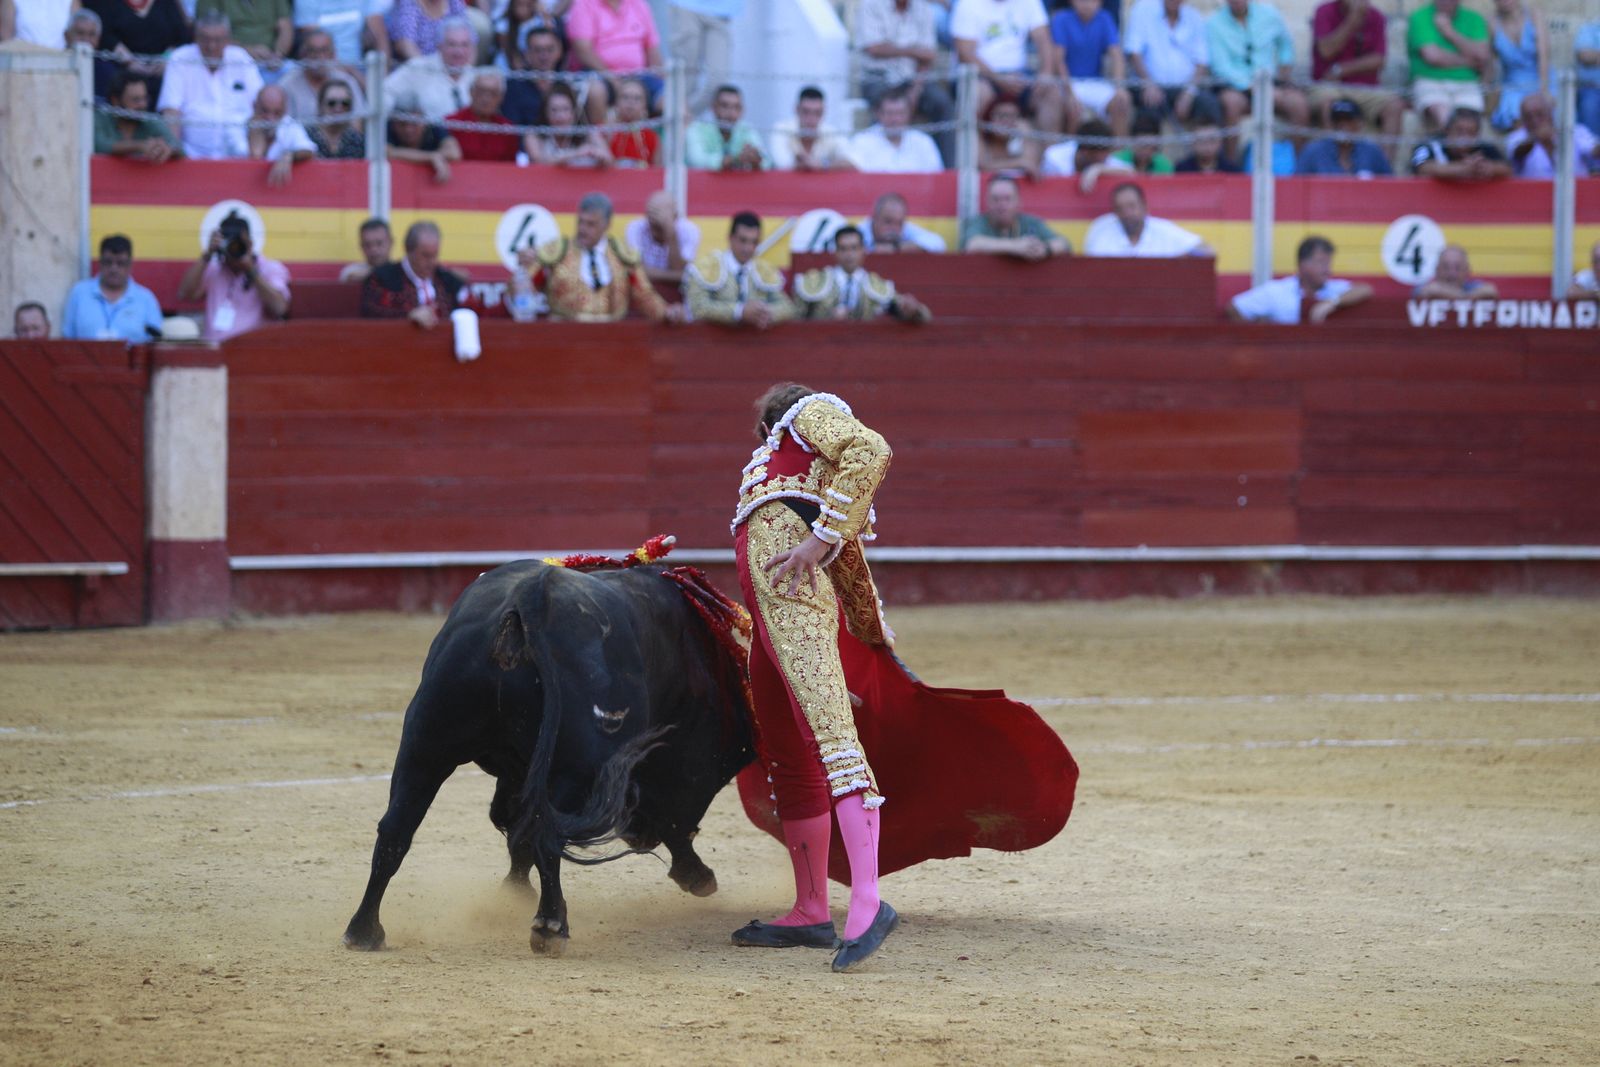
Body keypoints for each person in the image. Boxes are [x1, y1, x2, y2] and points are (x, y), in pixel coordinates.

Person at [728, 381, 899, 971]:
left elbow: (870, 449)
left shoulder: (809, 414)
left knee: (833, 741)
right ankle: (809, 911)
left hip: (793, 607)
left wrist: (816, 542)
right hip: (772, 619)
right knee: (788, 753)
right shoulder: (791, 466)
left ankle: (869, 903)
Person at [524, 192, 680, 323]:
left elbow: (644, 295)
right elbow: (524, 287)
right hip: (564, 334)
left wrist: (666, 312)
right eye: (581, 222)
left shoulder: (622, 255)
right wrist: (522, 272)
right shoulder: (557, 252)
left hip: (611, 337)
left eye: (591, 224)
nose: (583, 229)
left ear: (606, 224)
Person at [952, 0, 1065, 176]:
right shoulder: (967, 4)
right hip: (982, 77)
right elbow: (965, 53)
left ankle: (1052, 168)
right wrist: (999, 79)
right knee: (977, 93)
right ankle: (975, 165)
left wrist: (1046, 72)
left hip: (1020, 76)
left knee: (1051, 93)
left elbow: (1043, 39)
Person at [1206, 0, 1309, 160]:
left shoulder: (1269, 14)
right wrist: (1252, 87)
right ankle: (1231, 166)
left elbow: (1285, 45)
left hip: (1270, 83)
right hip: (1236, 87)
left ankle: (1301, 166)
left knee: (1298, 104)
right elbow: (1221, 67)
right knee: (1231, 104)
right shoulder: (1213, 23)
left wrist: (1284, 69)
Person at [856, 0, 954, 165]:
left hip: (913, 78)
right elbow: (873, 48)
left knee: (943, 104)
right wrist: (914, 51)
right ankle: (875, 168)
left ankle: (948, 170)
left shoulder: (924, 9)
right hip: (878, 78)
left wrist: (915, 90)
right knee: (884, 107)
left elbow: (928, 56)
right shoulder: (870, 5)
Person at [157, 12, 264, 160]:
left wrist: (256, 156)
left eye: (218, 40)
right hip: (192, 155)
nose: (211, 46)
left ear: (228, 40)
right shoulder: (180, 58)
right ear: (196, 38)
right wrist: (175, 151)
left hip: (241, 154)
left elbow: (260, 107)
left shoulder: (241, 58)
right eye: (205, 39)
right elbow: (171, 111)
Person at [177, 218, 292, 341]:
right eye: (229, 244)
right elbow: (185, 294)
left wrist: (250, 270)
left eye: (238, 244)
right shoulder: (214, 268)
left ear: (250, 244)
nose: (233, 249)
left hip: (251, 350)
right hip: (214, 349)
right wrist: (207, 255)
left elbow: (280, 308)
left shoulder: (270, 268)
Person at [1310, 0, 1403, 151]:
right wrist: (1352, 21)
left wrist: (1341, 69)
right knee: (1328, 103)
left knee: (1395, 105)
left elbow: (1379, 60)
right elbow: (1326, 50)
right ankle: (1333, 163)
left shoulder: (1376, 16)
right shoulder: (1324, 11)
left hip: (1365, 89)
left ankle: (1384, 170)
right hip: (1329, 86)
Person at [794, 225, 931, 323]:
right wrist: (827, 320)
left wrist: (915, 310)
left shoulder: (875, 284)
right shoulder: (815, 281)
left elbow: (918, 314)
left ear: (863, 250)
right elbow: (795, 319)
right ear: (835, 252)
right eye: (843, 249)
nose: (849, 254)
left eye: (854, 248)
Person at [1228, 235, 1371, 324]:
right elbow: (1235, 308)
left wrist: (1331, 302)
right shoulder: (1276, 291)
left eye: (1328, 263)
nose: (1327, 270)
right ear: (1302, 264)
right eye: (1320, 263)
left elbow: (1365, 289)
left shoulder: (1333, 289)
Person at [683, 211, 793, 328]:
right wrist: (739, 312)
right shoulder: (707, 266)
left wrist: (765, 313)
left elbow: (787, 307)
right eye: (743, 240)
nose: (748, 248)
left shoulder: (764, 270)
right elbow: (697, 307)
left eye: (754, 242)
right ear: (731, 238)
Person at [1122, 0, 1221, 128]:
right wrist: (1148, 84)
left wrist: (1189, 93)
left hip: (1185, 89)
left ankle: (1209, 148)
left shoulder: (1194, 17)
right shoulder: (1143, 9)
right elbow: (1134, 52)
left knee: (1210, 105)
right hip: (1148, 86)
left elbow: (1202, 61)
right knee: (1147, 113)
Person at [503, 18, 608, 128]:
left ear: (559, 52)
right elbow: (513, 130)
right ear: (527, 54)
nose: (544, 56)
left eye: (549, 49)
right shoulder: (513, 85)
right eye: (538, 50)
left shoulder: (569, 84)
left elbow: (579, 128)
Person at [61, 234, 164, 342]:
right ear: (100, 262)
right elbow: (68, 339)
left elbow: (155, 344)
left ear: (130, 265)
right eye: (108, 262)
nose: (114, 269)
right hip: (86, 358)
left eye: (120, 263)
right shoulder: (79, 293)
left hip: (131, 359)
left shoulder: (146, 299)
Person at [360, 220, 463, 328]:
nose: (432, 261)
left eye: (435, 255)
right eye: (425, 255)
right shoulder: (382, 278)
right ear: (409, 251)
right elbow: (371, 312)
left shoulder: (448, 280)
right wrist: (408, 315)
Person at [1052, 0, 1132, 139]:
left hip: (1094, 82)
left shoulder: (1105, 18)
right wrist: (1069, 93)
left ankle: (1116, 156)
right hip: (1067, 83)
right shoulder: (1061, 19)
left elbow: (1117, 56)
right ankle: (1073, 156)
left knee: (1122, 101)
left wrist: (1119, 87)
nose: (1086, 4)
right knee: (1074, 109)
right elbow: (1059, 60)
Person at [85, 0, 192, 104]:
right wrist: (130, 62)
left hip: (162, 71)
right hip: (121, 71)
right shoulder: (106, 3)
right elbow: (104, 35)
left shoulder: (166, 2)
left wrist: (166, 59)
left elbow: (182, 35)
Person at [566, 0, 664, 112]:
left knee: (672, 100)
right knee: (595, 92)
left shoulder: (639, 3)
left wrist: (661, 77)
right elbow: (583, 51)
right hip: (599, 74)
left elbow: (652, 48)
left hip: (639, 75)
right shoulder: (583, 4)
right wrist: (612, 78)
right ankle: (601, 129)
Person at [1407, 0, 1490, 132]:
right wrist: (1469, 61)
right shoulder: (1420, 16)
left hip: (1466, 83)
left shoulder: (1474, 18)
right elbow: (1433, 56)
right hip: (1431, 81)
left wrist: (1449, 32)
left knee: (1469, 120)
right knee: (1446, 118)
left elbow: (1482, 55)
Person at [384, 16, 478, 122]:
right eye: (452, 44)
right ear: (439, 45)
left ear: (472, 48)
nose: (458, 52)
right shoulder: (419, 68)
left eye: (464, 45)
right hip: (431, 135)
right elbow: (385, 91)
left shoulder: (475, 77)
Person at [1083, 182, 1209, 257]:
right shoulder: (1101, 229)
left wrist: (1174, 264)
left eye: (1132, 206)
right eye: (1120, 208)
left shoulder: (1163, 230)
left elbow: (1206, 251)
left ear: (1144, 207)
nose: (1127, 213)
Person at [959, 175, 1071, 258]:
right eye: (995, 199)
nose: (1001, 205)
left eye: (1007, 199)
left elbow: (1063, 244)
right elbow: (972, 245)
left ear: (1018, 202)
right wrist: (1016, 246)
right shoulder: (978, 222)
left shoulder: (1030, 222)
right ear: (987, 202)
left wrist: (1045, 249)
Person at [668, 0, 741, 119]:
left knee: (718, 81)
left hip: (722, 9)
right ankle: (678, 128)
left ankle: (682, 119)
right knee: (685, 82)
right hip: (685, 6)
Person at [278, 28, 367, 123]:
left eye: (324, 51)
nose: (320, 57)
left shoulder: (347, 81)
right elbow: (284, 127)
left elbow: (358, 120)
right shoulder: (287, 85)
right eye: (314, 51)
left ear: (333, 54)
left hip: (343, 137)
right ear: (303, 55)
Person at [1505, 93, 1598, 179]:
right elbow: (1517, 152)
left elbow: (1593, 151)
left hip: (1576, 193)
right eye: (1528, 116)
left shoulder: (1577, 132)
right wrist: (1536, 139)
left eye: (1539, 114)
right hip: (1532, 194)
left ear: (1551, 113)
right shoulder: (1516, 137)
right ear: (1522, 119)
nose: (1534, 120)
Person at [850, 87, 941, 174]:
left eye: (900, 113)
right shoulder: (862, 142)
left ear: (909, 114)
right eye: (889, 113)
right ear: (878, 114)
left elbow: (936, 179)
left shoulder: (923, 142)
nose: (895, 119)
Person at [95, 71, 183, 162]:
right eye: (136, 100)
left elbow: (178, 148)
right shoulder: (100, 118)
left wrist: (168, 150)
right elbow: (99, 145)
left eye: (145, 98)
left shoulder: (150, 121)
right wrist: (140, 146)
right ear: (115, 101)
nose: (143, 105)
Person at [1488, 0, 1546, 133]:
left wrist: (1544, 91)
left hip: (1540, 79)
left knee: (1542, 111)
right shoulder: (1492, 22)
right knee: (1514, 113)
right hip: (1512, 84)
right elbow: (1490, 64)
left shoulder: (1534, 15)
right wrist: (1488, 92)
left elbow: (1544, 58)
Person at [1409, 106, 1510, 181]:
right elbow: (1423, 168)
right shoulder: (1428, 144)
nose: (1464, 137)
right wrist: (1462, 169)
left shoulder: (1483, 147)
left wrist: (1488, 167)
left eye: (1471, 133)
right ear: (1447, 130)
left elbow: (1506, 168)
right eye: (1459, 131)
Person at [1296, 98, 1392, 177]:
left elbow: (1389, 186)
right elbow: (1297, 185)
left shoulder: (1372, 152)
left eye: (1348, 120)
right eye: (1337, 120)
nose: (1342, 124)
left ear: (1359, 124)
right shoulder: (1313, 152)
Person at [524, 82, 612, 166]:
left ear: (574, 112)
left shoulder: (588, 133)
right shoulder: (534, 135)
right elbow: (539, 162)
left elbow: (611, 162)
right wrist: (576, 154)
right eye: (554, 110)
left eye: (565, 109)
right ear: (546, 113)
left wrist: (601, 157)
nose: (560, 117)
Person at [771, 86, 857, 173]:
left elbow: (853, 161)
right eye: (806, 112)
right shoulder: (781, 130)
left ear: (824, 112)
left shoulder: (831, 132)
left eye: (817, 113)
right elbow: (782, 164)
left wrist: (822, 164)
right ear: (797, 109)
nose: (811, 119)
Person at [195, 0, 292, 76]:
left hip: (270, 62)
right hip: (230, 62)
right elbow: (207, 35)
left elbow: (285, 26)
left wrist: (278, 54)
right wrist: (247, 51)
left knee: (292, 72)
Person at [623, 189, 698, 285]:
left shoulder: (689, 230)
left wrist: (670, 231)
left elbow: (679, 269)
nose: (655, 220)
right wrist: (677, 276)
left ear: (676, 217)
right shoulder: (636, 228)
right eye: (650, 215)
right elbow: (637, 272)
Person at [247, 84, 317, 187]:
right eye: (265, 111)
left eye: (277, 113)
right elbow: (255, 157)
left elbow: (309, 150)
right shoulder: (236, 126)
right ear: (254, 106)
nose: (270, 119)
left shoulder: (290, 125)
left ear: (285, 111)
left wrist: (289, 155)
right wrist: (255, 133)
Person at [444, 69, 521, 162]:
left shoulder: (507, 130)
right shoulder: (452, 123)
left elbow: (511, 167)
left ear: (501, 97)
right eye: (481, 91)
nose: (486, 99)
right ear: (471, 92)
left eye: (493, 93)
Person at [687, 84, 768, 171]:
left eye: (736, 107)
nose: (731, 113)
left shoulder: (746, 130)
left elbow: (767, 162)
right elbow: (696, 161)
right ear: (713, 107)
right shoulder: (697, 129)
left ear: (742, 110)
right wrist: (734, 159)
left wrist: (756, 160)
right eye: (724, 106)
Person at [386, 91, 464, 181]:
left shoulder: (433, 126)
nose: (408, 129)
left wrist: (433, 157)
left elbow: (454, 153)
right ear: (394, 123)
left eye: (414, 124)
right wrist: (431, 157)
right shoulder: (387, 127)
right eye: (402, 124)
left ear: (424, 123)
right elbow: (386, 153)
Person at [1040, 118, 1132, 192]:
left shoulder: (1102, 157)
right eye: (1102, 153)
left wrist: (1097, 169)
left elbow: (1131, 172)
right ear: (1085, 151)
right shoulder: (1055, 157)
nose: (1106, 157)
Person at [294, 0, 391, 65]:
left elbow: (380, 38)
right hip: (323, 69)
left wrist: (383, 80)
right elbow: (315, 49)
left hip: (360, 68)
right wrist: (350, 73)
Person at [859, 190, 947, 254]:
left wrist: (896, 248)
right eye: (888, 221)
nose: (893, 228)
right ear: (874, 218)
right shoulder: (860, 231)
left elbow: (938, 243)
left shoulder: (905, 228)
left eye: (899, 223)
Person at [388, 0, 469, 60]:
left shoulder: (454, 3)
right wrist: (429, 70)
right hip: (418, 68)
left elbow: (471, 40)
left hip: (452, 66)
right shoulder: (409, 4)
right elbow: (406, 46)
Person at [606, 76, 660, 166]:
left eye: (637, 98)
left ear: (645, 107)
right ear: (616, 103)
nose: (630, 102)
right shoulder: (605, 132)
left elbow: (658, 171)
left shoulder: (652, 138)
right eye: (625, 97)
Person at [1413, 244, 1498, 300]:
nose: (1451, 273)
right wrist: (1466, 298)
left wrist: (1459, 297)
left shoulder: (1472, 286)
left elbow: (1490, 291)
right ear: (1437, 270)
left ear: (1467, 271)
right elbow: (1427, 292)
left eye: (1457, 268)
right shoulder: (1425, 288)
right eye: (1446, 267)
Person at [978, 97, 1038, 177]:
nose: (1006, 121)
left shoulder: (1018, 141)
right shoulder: (980, 138)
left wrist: (1026, 136)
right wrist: (1019, 162)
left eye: (1012, 117)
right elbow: (982, 166)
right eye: (1001, 115)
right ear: (989, 117)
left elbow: (1031, 165)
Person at [309, 78, 365, 158]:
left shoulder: (359, 141)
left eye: (345, 103)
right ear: (321, 106)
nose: (338, 108)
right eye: (332, 103)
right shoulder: (305, 137)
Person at [340, 217, 394, 282]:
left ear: (391, 243)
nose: (374, 249)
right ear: (361, 246)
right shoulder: (351, 271)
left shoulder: (401, 271)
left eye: (379, 243)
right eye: (367, 245)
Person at [1173, 122, 1241, 173]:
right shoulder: (1182, 170)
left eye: (1212, 140)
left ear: (1220, 142)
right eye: (1201, 141)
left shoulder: (1231, 170)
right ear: (1193, 143)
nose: (1207, 146)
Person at [1578, 18, 1600, 141]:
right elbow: (1584, 56)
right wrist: (1591, 58)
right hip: (1593, 89)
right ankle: (1592, 155)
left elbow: (1591, 57)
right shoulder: (1589, 29)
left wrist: (1596, 56)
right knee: (1589, 105)